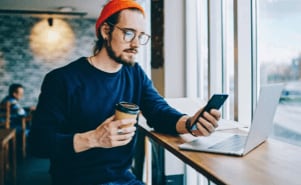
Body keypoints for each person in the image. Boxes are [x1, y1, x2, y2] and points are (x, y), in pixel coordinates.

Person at [28, 0, 221, 185]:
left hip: (123, 179)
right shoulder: (62, 80)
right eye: (129, 33)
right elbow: (38, 143)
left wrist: (190, 123)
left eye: (141, 36)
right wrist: (93, 138)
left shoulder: (134, 74)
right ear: (106, 31)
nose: (136, 44)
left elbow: (158, 111)